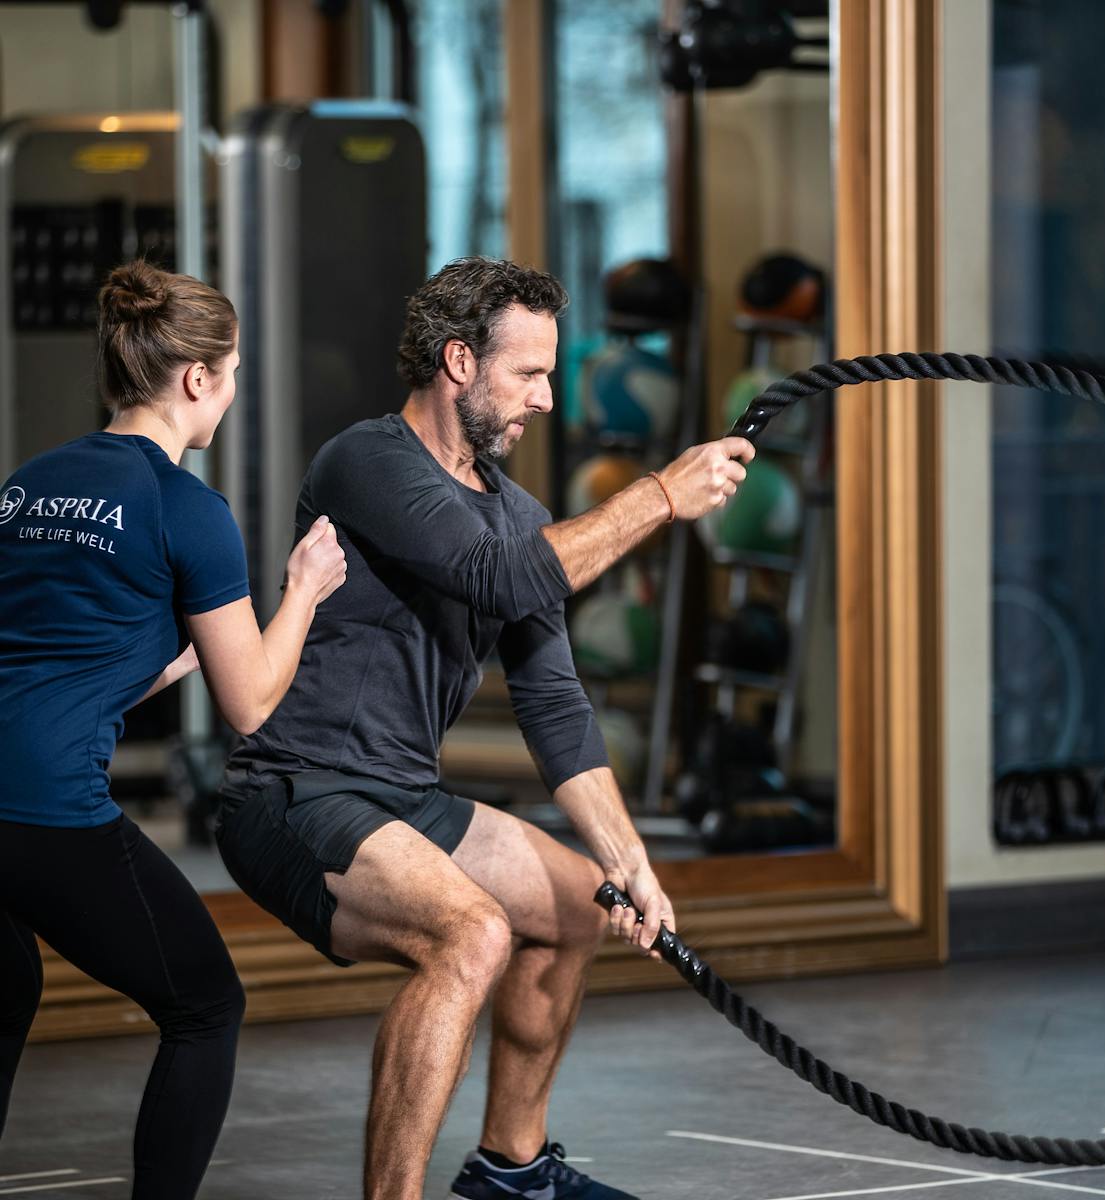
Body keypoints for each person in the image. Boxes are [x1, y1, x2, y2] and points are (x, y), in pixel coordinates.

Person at [216, 256, 753, 1200]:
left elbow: (553, 703)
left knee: (572, 908)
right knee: (471, 936)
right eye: (530, 374)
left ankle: (513, 1171)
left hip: (401, 800)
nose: (548, 399)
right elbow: (500, 578)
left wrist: (629, 859)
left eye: (551, 374)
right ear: (459, 361)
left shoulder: (521, 516)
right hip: (294, 793)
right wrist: (662, 494)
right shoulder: (369, 462)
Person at [0, 260, 346, 1200]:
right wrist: (303, 592)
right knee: (206, 1005)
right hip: (42, 810)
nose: (230, 396)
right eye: (230, 375)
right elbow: (252, 706)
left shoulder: (26, 485)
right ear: (199, 379)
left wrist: (153, 665)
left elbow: (42, 657)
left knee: (6, 987)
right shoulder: (189, 509)